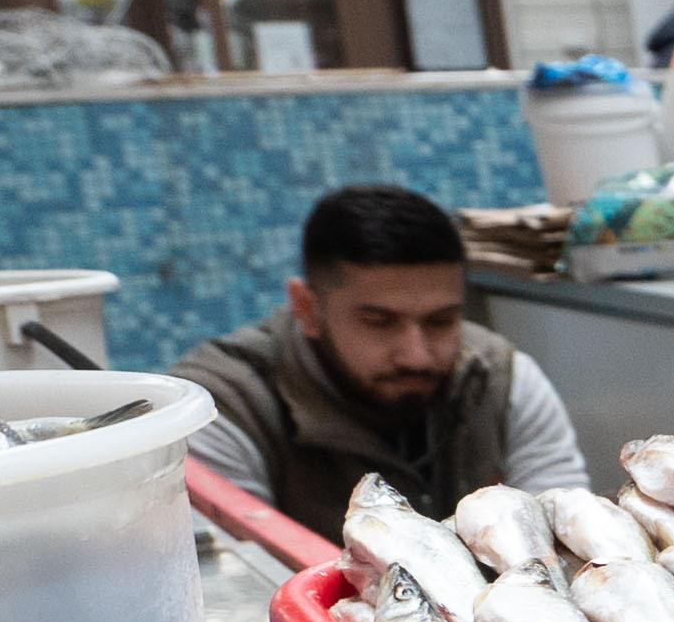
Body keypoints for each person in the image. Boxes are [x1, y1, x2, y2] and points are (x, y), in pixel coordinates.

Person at [176, 181, 590, 531]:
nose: (417, 355)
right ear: (308, 309)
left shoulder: (502, 378)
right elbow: (243, 590)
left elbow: (561, 540)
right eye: (378, 321)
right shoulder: (218, 408)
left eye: (441, 320)